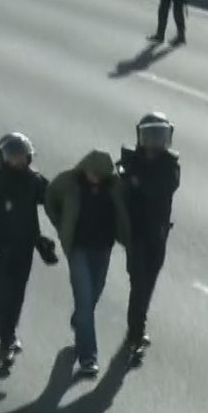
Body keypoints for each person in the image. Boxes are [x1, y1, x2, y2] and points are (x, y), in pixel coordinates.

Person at [0, 133, 58, 372]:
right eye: (12, 156)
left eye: (21, 156)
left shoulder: (34, 181)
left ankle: (9, 333)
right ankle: (6, 340)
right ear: (3, 158)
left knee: (17, 294)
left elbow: (55, 200)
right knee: (3, 294)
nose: (17, 161)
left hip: (25, 249)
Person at [44, 149, 131, 378]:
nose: (95, 177)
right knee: (84, 300)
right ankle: (88, 357)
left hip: (103, 249)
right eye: (92, 173)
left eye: (100, 175)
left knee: (94, 293)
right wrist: (61, 226)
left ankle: (79, 321)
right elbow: (50, 199)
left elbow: (127, 208)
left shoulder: (115, 187)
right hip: (78, 250)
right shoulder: (69, 182)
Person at [118, 112, 180, 367]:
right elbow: (122, 191)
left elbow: (161, 188)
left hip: (158, 234)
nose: (154, 143)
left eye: (159, 137)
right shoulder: (131, 161)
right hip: (136, 236)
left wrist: (134, 179)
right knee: (139, 284)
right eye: (149, 136)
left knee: (148, 284)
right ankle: (135, 336)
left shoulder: (170, 165)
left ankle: (136, 329)